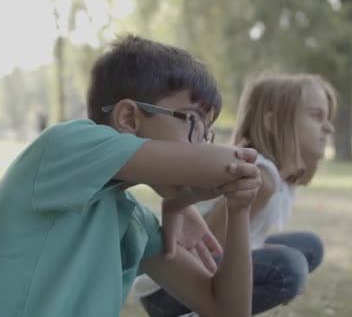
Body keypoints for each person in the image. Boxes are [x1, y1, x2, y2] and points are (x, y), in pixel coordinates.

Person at [0, 35, 261, 317]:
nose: (198, 146)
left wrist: (238, 208)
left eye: (205, 135)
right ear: (128, 118)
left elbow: (227, 311)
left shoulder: (131, 219)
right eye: (191, 122)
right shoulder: (67, 146)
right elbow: (234, 161)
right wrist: (188, 195)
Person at [135, 73, 337, 316]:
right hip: (170, 288)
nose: (328, 126)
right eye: (316, 116)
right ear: (272, 123)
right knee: (290, 266)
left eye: (328, 118)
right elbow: (209, 248)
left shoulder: (278, 176)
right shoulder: (261, 177)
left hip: (200, 271)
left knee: (309, 247)